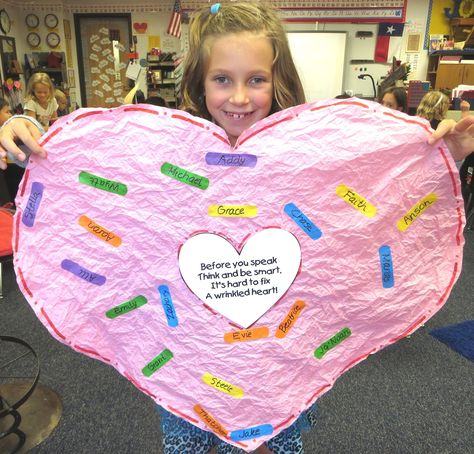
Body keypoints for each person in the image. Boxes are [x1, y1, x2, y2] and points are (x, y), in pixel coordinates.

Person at [1, 2, 474, 452]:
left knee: (278, 444)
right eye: (223, 79)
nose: (241, 96)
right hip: (187, 366)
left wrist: (445, 154)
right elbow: (93, 171)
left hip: (280, 366)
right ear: (200, 83)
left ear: (278, 80)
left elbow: (375, 190)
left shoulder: (306, 158)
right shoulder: (166, 157)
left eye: (257, 79)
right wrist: (20, 129)